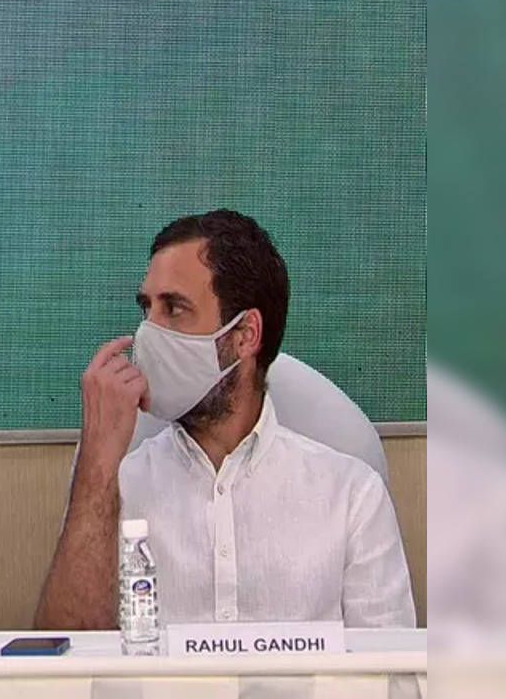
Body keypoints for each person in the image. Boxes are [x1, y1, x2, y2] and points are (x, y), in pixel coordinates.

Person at [35, 209, 414, 629]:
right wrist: (98, 466)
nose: (148, 334)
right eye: (147, 309)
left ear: (245, 335)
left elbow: (390, 674)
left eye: (174, 309)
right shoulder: (119, 483)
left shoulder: (352, 495)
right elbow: (65, 662)